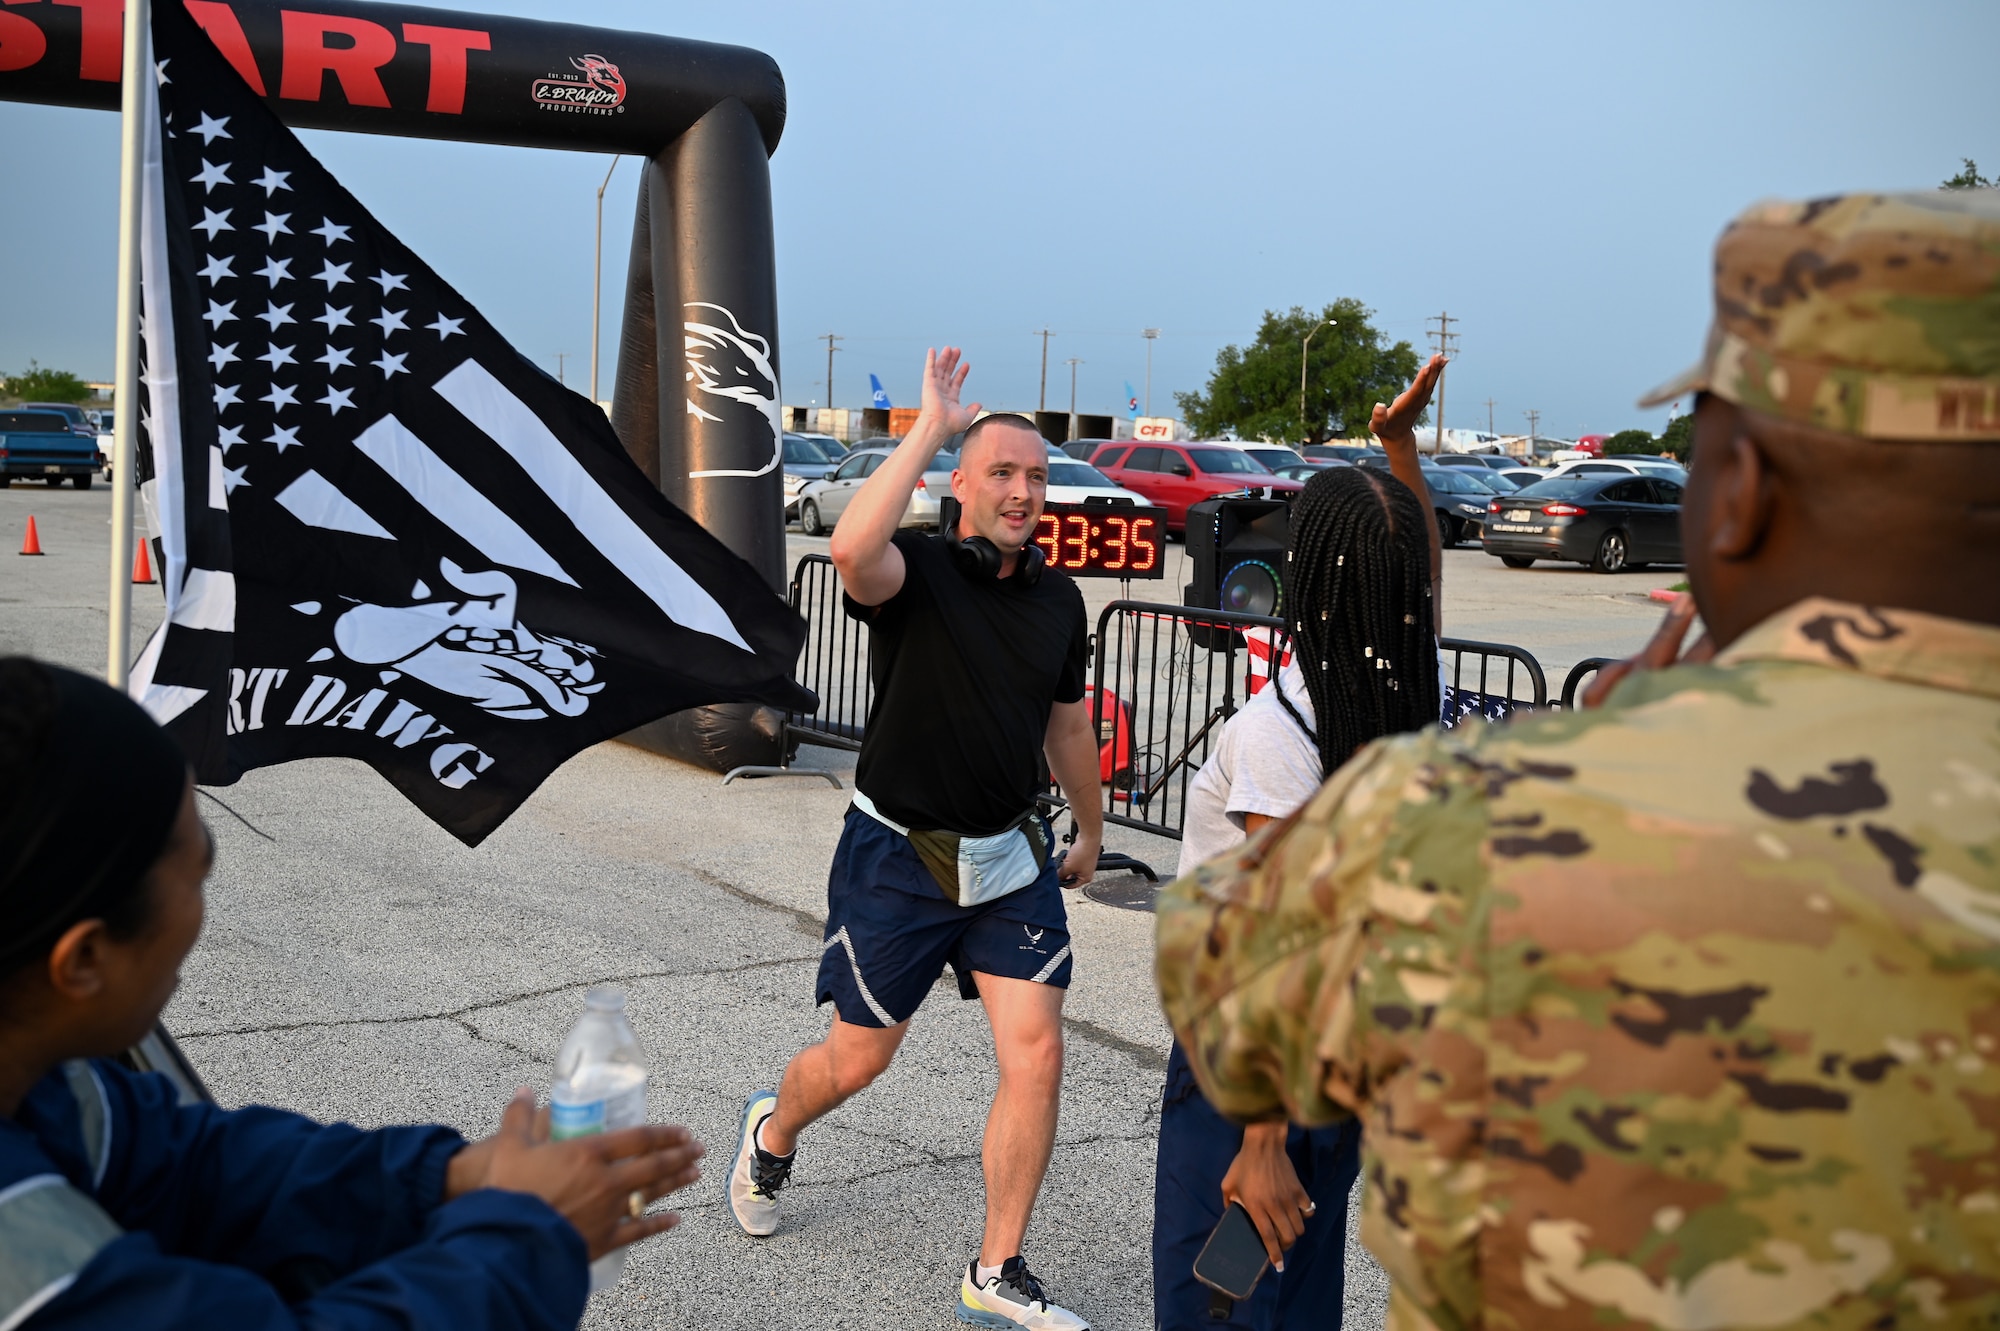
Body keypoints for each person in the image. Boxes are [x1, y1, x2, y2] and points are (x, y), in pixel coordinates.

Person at [1156, 187, 2000, 1328]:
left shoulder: (1472, 819)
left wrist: (1605, 756)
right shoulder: (1407, 715)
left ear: (1738, 493)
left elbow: (1220, 962)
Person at [0, 658, 706, 1330]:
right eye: (198, 873)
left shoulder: (46, 1084)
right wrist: (523, 1232)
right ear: (84, 958)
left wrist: (448, 1175)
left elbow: (193, 1163)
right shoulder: (25, 1269)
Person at [727, 348, 1104, 1331]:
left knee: (1036, 1051)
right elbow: (853, 550)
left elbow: (1066, 724)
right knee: (856, 1060)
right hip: (897, 854)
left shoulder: (1059, 601)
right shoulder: (920, 571)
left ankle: (995, 1267)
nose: (1022, 490)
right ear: (961, 487)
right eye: (1001, 473)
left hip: (1008, 855)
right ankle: (772, 1127)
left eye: (1034, 474)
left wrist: (1093, 827)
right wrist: (928, 425)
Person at [1153, 360, 1446, 1331]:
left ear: (1310, 576)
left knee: (1220, 1306)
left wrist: (1260, 1138)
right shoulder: (1402, 696)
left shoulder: (1286, 726)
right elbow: (1419, 572)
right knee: (1294, 1299)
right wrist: (1397, 449)